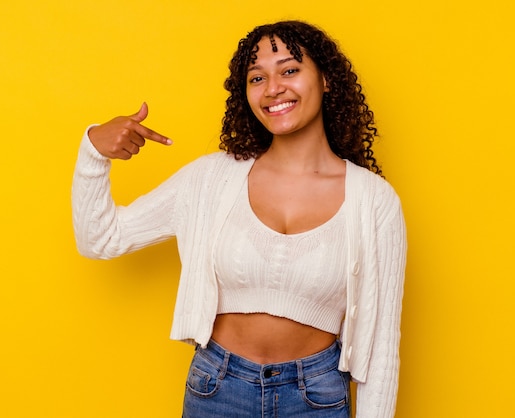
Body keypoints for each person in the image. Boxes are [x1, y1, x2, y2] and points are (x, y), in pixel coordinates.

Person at [72, 20, 406, 417]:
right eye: (256, 77)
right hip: (217, 390)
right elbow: (101, 239)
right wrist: (94, 152)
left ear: (327, 80)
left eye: (290, 70)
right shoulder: (212, 178)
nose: (273, 88)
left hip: (317, 396)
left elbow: (381, 346)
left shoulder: (374, 201)